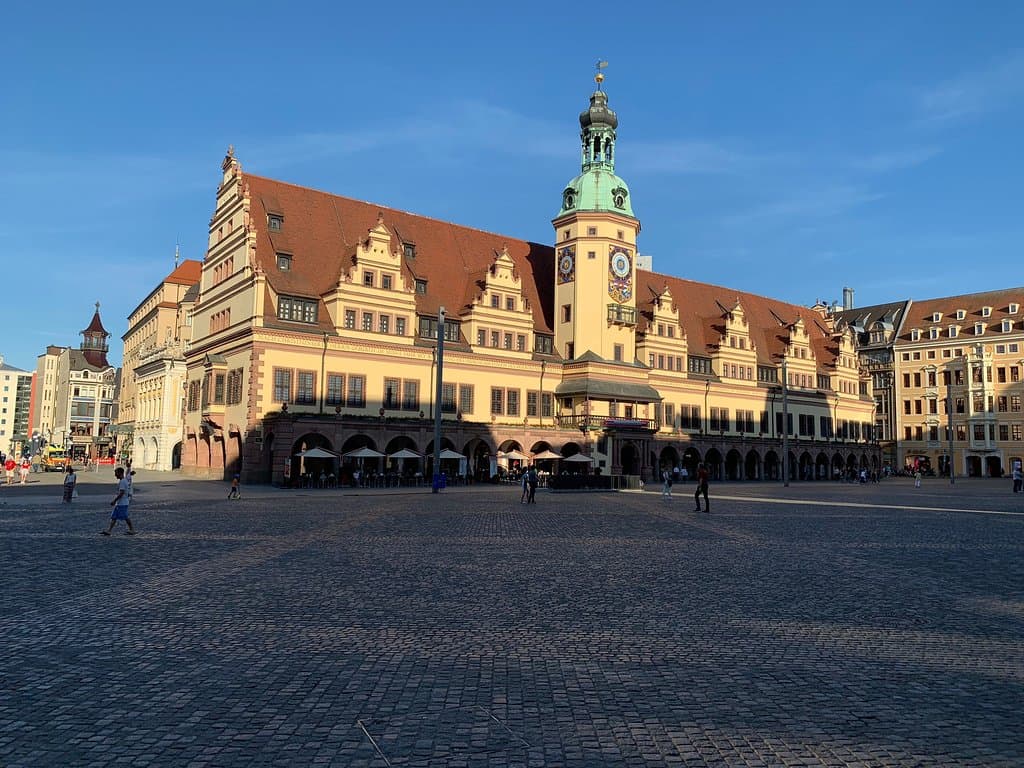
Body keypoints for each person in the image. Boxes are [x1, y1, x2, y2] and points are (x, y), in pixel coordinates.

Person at [100, 467, 135, 536]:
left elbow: (121, 493)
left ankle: (132, 529)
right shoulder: (123, 481)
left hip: (122, 503)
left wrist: (114, 500)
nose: (115, 475)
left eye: (116, 473)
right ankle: (109, 531)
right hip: (120, 503)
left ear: (120, 473)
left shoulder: (122, 482)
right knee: (114, 517)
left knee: (125, 517)